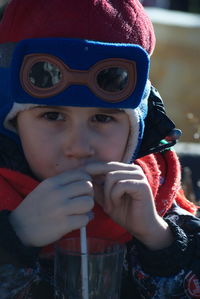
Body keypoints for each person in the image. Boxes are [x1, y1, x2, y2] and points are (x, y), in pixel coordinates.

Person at [0, 0, 199, 298]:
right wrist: (14, 238)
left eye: (103, 118)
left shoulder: (156, 198)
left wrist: (159, 238)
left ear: (136, 130)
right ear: (12, 124)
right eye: (52, 115)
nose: (78, 147)